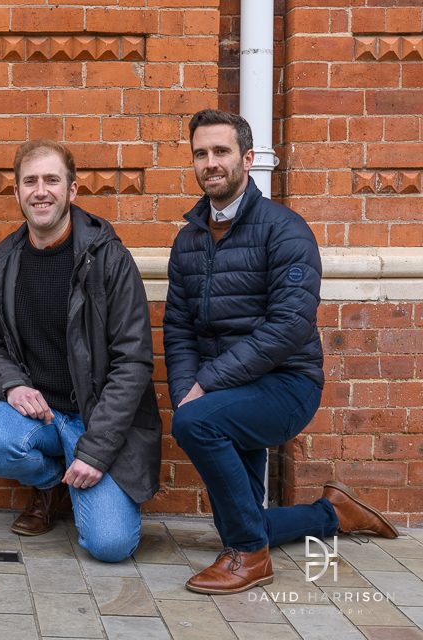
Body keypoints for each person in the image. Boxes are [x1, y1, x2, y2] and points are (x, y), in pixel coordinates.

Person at [164, 109, 400, 595]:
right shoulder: (187, 240)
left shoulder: (284, 229)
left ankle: (250, 559)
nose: (210, 163)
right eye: (201, 153)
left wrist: (204, 389)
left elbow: (289, 327)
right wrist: (186, 388)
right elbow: (178, 328)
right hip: (227, 389)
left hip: (286, 384)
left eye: (221, 152)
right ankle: (333, 513)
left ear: (247, 159)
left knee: (195, 425)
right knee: (238, 516)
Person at [0, 139, 162, 562]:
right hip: (42, 415)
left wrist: (94, 453)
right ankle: (51, 482)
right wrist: (12, 384)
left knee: (111, 546)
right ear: (17, 192)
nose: (41, 191)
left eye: (52, 180)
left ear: (72, 191)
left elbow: (133, 363)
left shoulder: (109, 259)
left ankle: (81, 484)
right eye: (30, 181)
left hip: (97, 420)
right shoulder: (6, 260)